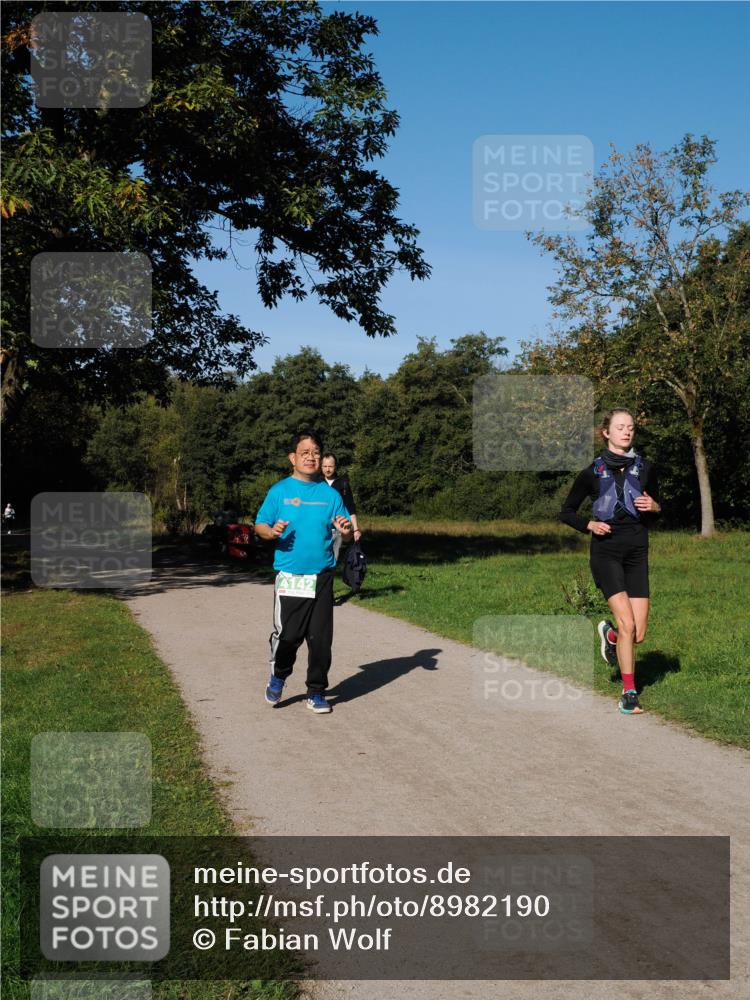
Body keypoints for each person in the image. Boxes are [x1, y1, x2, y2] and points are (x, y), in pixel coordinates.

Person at [560, 409, 661, 715]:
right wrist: (588, 525)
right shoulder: (592, 472)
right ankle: (629, 692)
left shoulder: (646, 468)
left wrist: (655, 506)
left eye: (630, 428)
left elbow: (657, 509)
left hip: (637, 553)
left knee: (637, 633)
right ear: (606, 432)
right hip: (606, 553)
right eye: (620, 427)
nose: (626, 432)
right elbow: (567, 511)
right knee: (628, 623)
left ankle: (611, 636)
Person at [254, 431, 353, 714]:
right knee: (289, 637)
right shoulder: (279, 492)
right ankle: (279, 676)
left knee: (321, 639)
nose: (311, 457)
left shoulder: (330, 494)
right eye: (305, 452)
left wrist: (345, 534)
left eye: (316, 452)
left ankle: (316, 691)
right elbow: (260, 525)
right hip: (291, 576)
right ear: (293, 458)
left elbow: (343, 532)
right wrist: (271, 533)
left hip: (322, 575)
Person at [321, 453, 362, 559]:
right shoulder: (317, 483)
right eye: (325, 466)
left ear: (335, 467)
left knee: (334, 558)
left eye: (330, 466)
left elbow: (350, 506)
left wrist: (356, 529)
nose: (327, 469)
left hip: (339, 528)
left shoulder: (343, 484)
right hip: (320, 527)